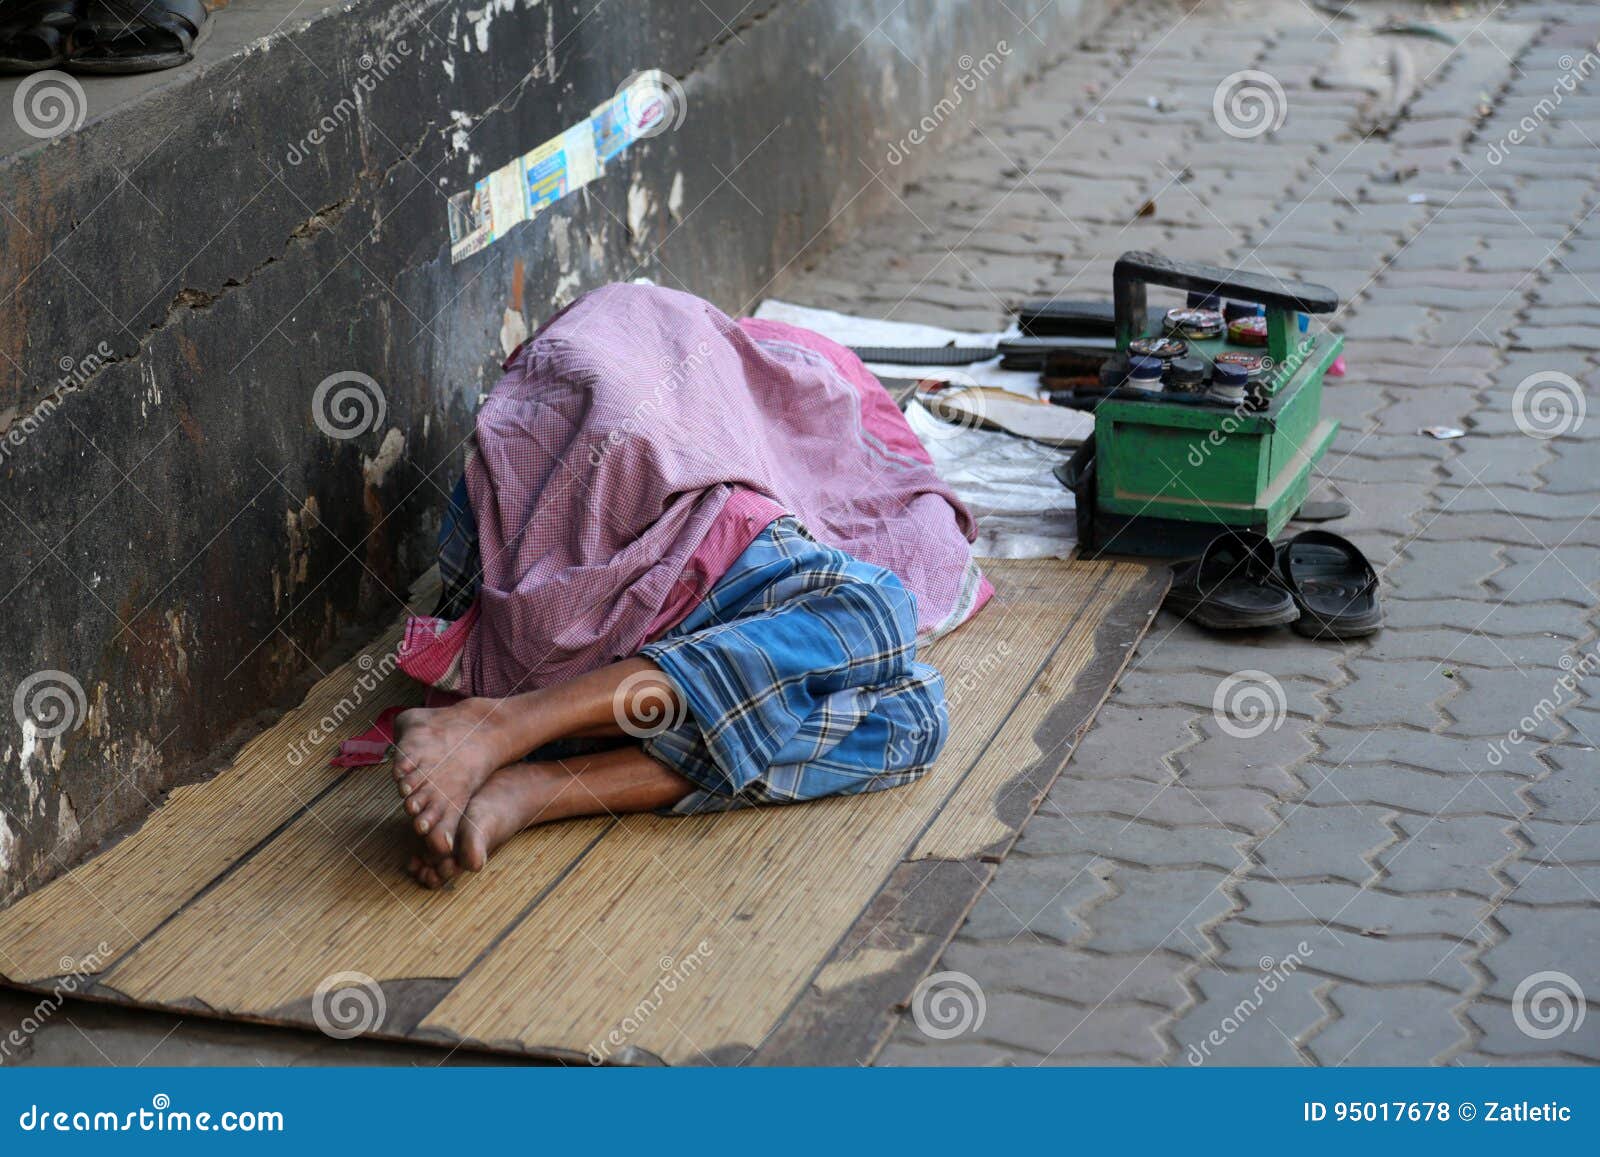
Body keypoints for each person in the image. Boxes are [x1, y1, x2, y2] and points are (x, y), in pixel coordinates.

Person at [338, 283, 990, 888]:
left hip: (643, 669)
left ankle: (534, 782)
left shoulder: (784, 367)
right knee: (875, 610)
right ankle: (511, 724)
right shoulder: (661, 323)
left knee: (912, 717)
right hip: (682, 538)